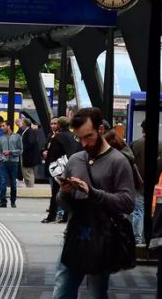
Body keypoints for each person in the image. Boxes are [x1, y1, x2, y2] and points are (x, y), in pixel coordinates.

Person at [53, 107, 135, 299]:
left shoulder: (118, 161)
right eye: (79, 138)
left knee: (96, 292)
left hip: (102, 236)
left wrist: (93, 192)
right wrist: (64, 193)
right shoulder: (75, 160)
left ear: (100, 130)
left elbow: (127, 202)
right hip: (75, 232)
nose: (84, 143)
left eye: (88, 137)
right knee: (62, 289)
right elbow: (63, 203)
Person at [0, 120, 23, 208]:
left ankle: (13, 201)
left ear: (9, 126)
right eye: (1, 127)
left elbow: (20, 150)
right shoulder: (1, 138)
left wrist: (10, 152)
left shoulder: (17, 137)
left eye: (4, 126)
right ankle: (2, 201)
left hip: (14, 163)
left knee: (13, 183)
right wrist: (0, 159)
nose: (2, 128)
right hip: (4, 163)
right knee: (3, 182)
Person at [18, 117, 40, 187]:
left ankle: (30, 187)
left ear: (25, 123)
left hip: (29, 156)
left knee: (28, 173)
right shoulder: (25, 131)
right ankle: (28, 186)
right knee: (25, 173)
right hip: (25, 155)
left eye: (22, 122)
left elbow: (30, 143)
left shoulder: (30, 131)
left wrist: (22, 148)